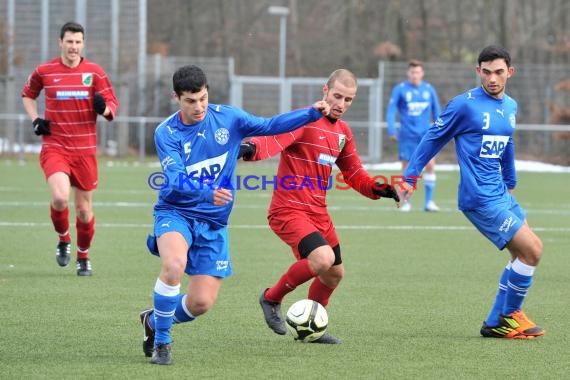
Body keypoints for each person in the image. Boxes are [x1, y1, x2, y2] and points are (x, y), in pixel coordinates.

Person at [139, 64, 330, 365]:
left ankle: (154, 321)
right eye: (190, 101)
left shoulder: (228, 117)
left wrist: (310, 113)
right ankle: (162, 343)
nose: (198, 106)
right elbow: (174, 178)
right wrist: (206, 192)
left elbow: (269, 126)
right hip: (176, 212)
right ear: (175, 97)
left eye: (202, 98)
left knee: (200, 302)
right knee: (174, 265)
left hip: (214, 222)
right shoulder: (167, 132)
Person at [238, 69, 401, 344]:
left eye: (348, 100)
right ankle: (270, 299)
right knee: (321, 259)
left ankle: (310, 327)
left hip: (318, 213)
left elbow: (353, 173)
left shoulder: (343, 133)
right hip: (288, 210)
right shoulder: (305, 120)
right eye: (337, 96)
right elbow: (272, 138)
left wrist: (377, 188)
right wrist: (251, 147)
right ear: (325, 91)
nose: (341, 104)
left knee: (334, 273)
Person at [399, 45, 545, 339]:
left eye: (499, 72)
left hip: (501, 193)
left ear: (509, 73)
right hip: (479, 197)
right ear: (478, 71)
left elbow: (507, 141)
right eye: (486, 72)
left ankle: (495, 323)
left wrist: (510, 177)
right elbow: (433, 138)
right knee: (532, 251)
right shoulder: (463, 105)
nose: (492, 78)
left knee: (521, 254)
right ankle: (510, 315)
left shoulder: (511, 106)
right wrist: (410, 177)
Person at [21, 21, 118, 276]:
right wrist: (35, 119)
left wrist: (103, 108)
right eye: (69, 41)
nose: (73, 46)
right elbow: (28, 94)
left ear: (83, 43)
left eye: (78, 42)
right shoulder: (45, 71)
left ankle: (83, 257)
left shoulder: (95, 72)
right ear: (60, 42)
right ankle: (64, 239)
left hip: (85, 150)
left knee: (84, 211)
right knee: (61, 197)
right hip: (55, 146)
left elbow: (111, 105)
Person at [386, 59, 441, 212]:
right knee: (407, 169)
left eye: (417, 72)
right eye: (412, 72)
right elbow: (391, 110)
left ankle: (429, 202)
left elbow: (437, 112)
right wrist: (391, 129)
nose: (415, 75)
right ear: (408, 73)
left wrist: (442, 131)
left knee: (430, 165)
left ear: (422, 73)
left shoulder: (429, 89)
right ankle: (406, 202)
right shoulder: (400, 89)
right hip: (407, 135)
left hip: (426, 136)